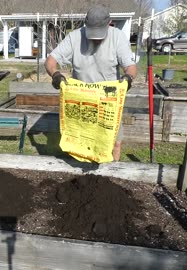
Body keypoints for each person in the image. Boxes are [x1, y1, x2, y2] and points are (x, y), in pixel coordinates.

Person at [45, 4, 137, 161]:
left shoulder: (117, 37)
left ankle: (110, 175)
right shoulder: (75, 37)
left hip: (108, 102)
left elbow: (131, 67)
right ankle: (77, 177)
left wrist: (128, 79)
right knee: (77, 143)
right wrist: (55, 75)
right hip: (80, 101)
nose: (95, 38)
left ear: (109, 23)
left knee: (114, 143)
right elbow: (50, 61)